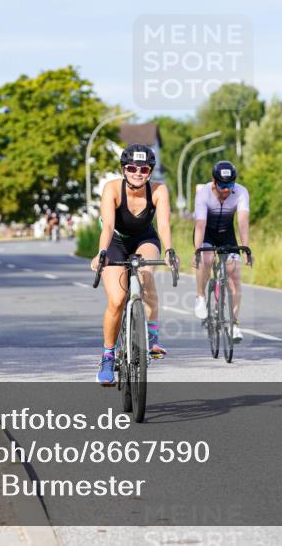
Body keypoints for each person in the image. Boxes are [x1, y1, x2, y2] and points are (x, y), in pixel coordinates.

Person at [90, 144, 177, 385]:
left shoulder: (159, 190)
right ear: (124, 169)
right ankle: (108, 356)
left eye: (144, 168)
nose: (138, 172)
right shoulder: (112, 189)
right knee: (117, 300)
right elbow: (107, 226)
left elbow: (163, 226)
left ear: (150, 171)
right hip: (116, 240)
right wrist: (102, 253)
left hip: (144, 238)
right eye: (132, 168)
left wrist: (169, 250)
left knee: (146, 276)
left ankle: (152, 335)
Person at [192, 160, 252, 343]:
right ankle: (201, 296)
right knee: (207, 259)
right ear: (214, 181)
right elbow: (200, 225)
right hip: (207, 234)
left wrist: (245, 248)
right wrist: (197, 251)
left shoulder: (241, 192)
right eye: (222, 185)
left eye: (230, 185)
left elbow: (242, 221)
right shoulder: (203, 194)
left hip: (227, 234)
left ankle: (233, 324)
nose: (226, 189)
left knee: (234, 275)